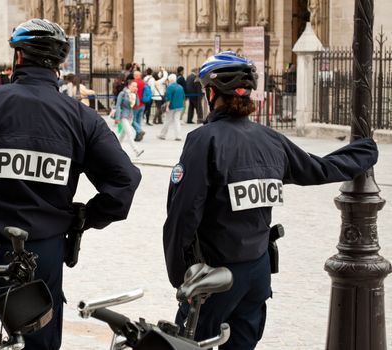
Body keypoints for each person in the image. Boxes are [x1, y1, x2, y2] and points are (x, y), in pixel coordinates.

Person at [0, 19, 141, 350]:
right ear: (59, 65)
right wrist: (82, 218)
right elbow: (125, 180)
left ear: (18, 59)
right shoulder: (80, 118)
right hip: (43, 255)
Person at [162, 51, 379, 350]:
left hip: (216, 277)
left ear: (211, 93)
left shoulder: (204, 140)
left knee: (186, 346)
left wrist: (179, 276)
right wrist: (366, 150)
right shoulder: (270, 139)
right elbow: (318, 168)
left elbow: (182, 215)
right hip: (257, 273)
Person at [114, 80, 144, 157]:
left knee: (122, 135)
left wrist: (136, 94)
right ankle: (136, 151)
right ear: (129, 86)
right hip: (123, 116)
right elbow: (118, 105)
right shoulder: (123, 94)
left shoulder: (133, 95)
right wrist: (117, 117)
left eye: (136, 86)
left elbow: (137, 104)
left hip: (130, 116)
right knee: (130, 133)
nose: (135, 87)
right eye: (133, 86)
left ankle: (114, 149)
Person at [158, 73, 185, 141]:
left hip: (172, 106)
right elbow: (183, 96)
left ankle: (162, 135)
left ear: (170, 80)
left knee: (167, 121)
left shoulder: (170, 87)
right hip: (180, 106)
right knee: (177, 121)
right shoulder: (180, 87)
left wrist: (167, 107)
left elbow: (168, 98)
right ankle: (178, 136)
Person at [131, 70, 146, 141]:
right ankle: (138, 136)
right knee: (138, 121)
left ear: (136, 76)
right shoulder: (143, 82)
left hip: (135, 105)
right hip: (142, 104)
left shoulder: (134, 83)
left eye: (134, 75)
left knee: (131, 120)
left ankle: (139, 131)